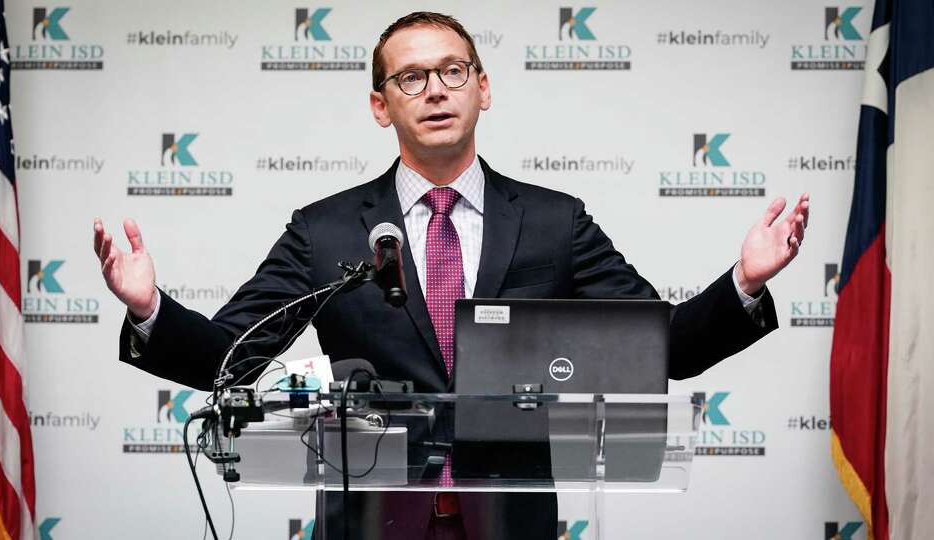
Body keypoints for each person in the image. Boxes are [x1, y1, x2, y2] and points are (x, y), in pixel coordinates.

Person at [92, 12, 809, 540]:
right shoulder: (328, 230)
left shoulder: (556, 223)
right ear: (382, 105)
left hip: (511, 519)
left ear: (483, 88)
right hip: (373, 521)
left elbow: (666, 348)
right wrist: (151, 307)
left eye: (452, 71)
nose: (435, 89)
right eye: (411, 77)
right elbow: (232, 354)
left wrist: (742, 282)